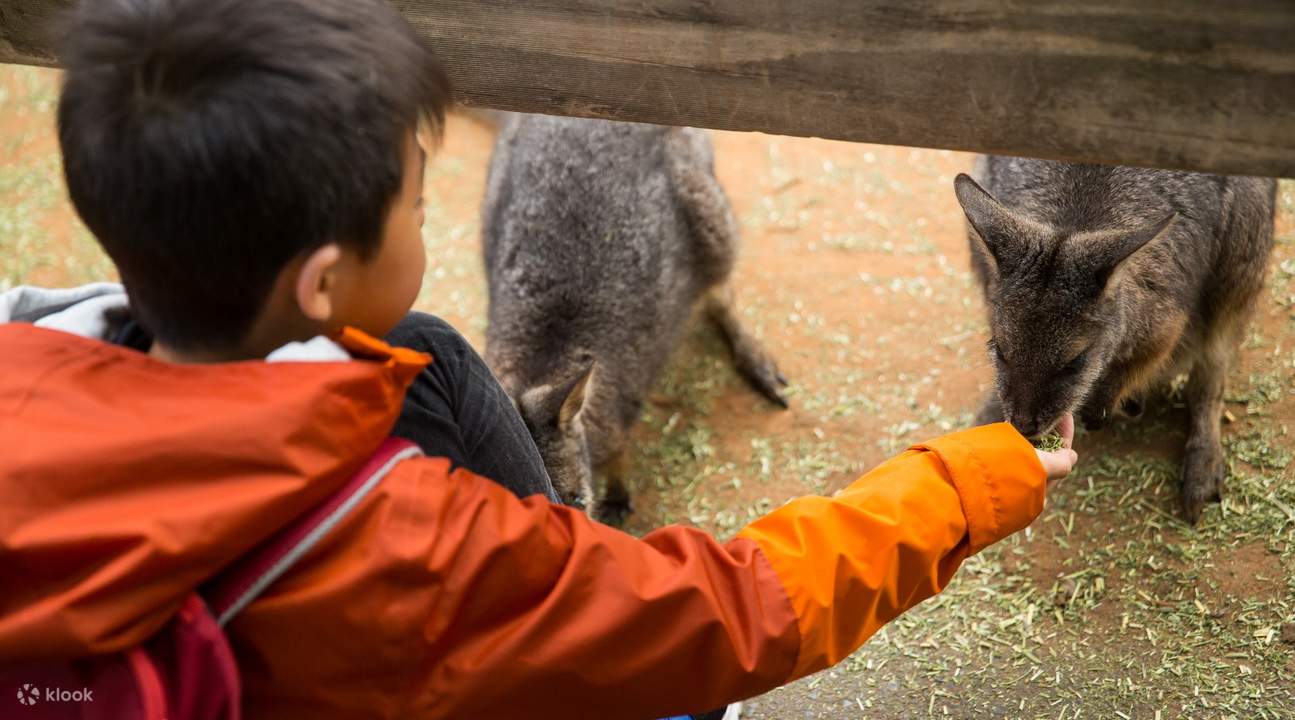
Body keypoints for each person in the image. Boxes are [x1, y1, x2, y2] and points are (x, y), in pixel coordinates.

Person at [0, 0, 1079, 718]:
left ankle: (561, 555)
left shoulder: (27, 354)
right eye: (418, 202)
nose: (434, 215)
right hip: (332, 653)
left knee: (419, 351)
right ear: (322, 283)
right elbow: (730, 610)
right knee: (653, 648)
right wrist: (968, 480)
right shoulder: (401, 547)